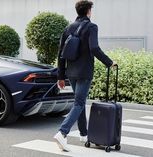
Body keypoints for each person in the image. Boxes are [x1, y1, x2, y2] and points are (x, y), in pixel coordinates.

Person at [54, 0, 116, 152]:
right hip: (84, 72)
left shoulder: (68, 28)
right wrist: (109, 62)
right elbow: (94, 48)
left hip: (71, 72)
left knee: (78, 102)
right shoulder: (91, 27)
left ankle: (84, 134)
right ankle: (62, 133)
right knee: (79, 103)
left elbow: (60, 54)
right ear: (88, 11)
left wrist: (60, 76)